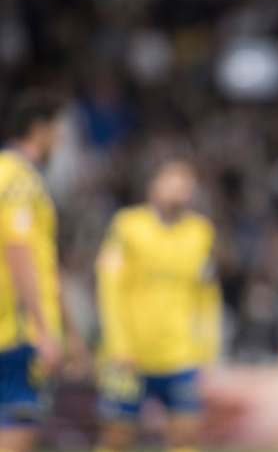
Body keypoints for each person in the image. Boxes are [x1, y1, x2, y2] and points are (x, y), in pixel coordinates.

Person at [94, 159, 222, 452]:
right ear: (153, 186)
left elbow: (207, 296)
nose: (179, 190)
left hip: (180, 355)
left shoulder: (201, 233)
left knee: (186, 437)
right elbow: (109, 289)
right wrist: (118, 343)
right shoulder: (127, 226)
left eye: (186, 185)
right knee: (116, 438)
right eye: (172, 182)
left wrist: (207, 349)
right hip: (130, 355)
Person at [0, 91, 74, 452]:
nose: (60, 140)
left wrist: (70, 331)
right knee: (17, 435)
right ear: (39, 129)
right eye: (57, 131)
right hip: (15, 334)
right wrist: (43, 329)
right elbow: (19, 253)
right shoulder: (20, 180)